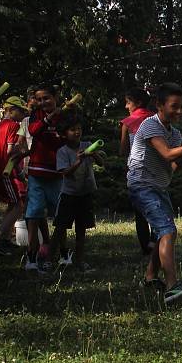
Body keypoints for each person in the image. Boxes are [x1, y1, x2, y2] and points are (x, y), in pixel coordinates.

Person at [127, 82, 182, 302]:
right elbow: (167, 155)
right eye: (174, 106)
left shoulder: (174, 134)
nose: (180, 111)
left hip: (158, 187)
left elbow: (173, 165)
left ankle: (150, 275)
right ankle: (172, 286)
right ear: (159, 105)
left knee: (161, 232)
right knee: (167, 231)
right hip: (141, 185)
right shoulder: (150, 125)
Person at [48, 111, 104, 273]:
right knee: (60, 229)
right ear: (64, 133)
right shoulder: (63, 152)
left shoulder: (87, 145)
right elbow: (65, 173)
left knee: (81, 229)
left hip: (85, 194)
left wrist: (94, 154)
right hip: (69, 195)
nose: (77, 132)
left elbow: (101, 163)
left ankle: (79, 261)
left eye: (79, 128)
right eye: (72, 129)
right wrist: (79, 161)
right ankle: (48, 260)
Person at [25, 84, 66, 272]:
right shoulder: (37, 115)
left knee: (59, 214)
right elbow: (33, 131)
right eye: (39, 99)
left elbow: (69, 138)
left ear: (56, 97)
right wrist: (48, 119)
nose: (43, 102)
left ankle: (62, 253)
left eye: (47, 98)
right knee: (33, 214)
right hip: (36, 172)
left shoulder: (64, 115)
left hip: (57, 173)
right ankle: (31, 256)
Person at [119, 88, 155, 254]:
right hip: (156, 169)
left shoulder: (127, 122)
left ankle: (145, 248)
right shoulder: (154, 119)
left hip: (136, 170)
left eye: (128, 102)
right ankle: (155, 241)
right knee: (157, 206)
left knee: (140, 212)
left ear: (138, 103)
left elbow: (123, 150)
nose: (126, 106)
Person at [0, 96, 29, 255]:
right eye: (21, 111)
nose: (23, 115)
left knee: (12, 203)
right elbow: (11, 152)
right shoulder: (14, 126)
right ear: (10, 110)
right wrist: (24, 153)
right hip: (6, 170)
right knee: (19, 205)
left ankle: (5, 240)